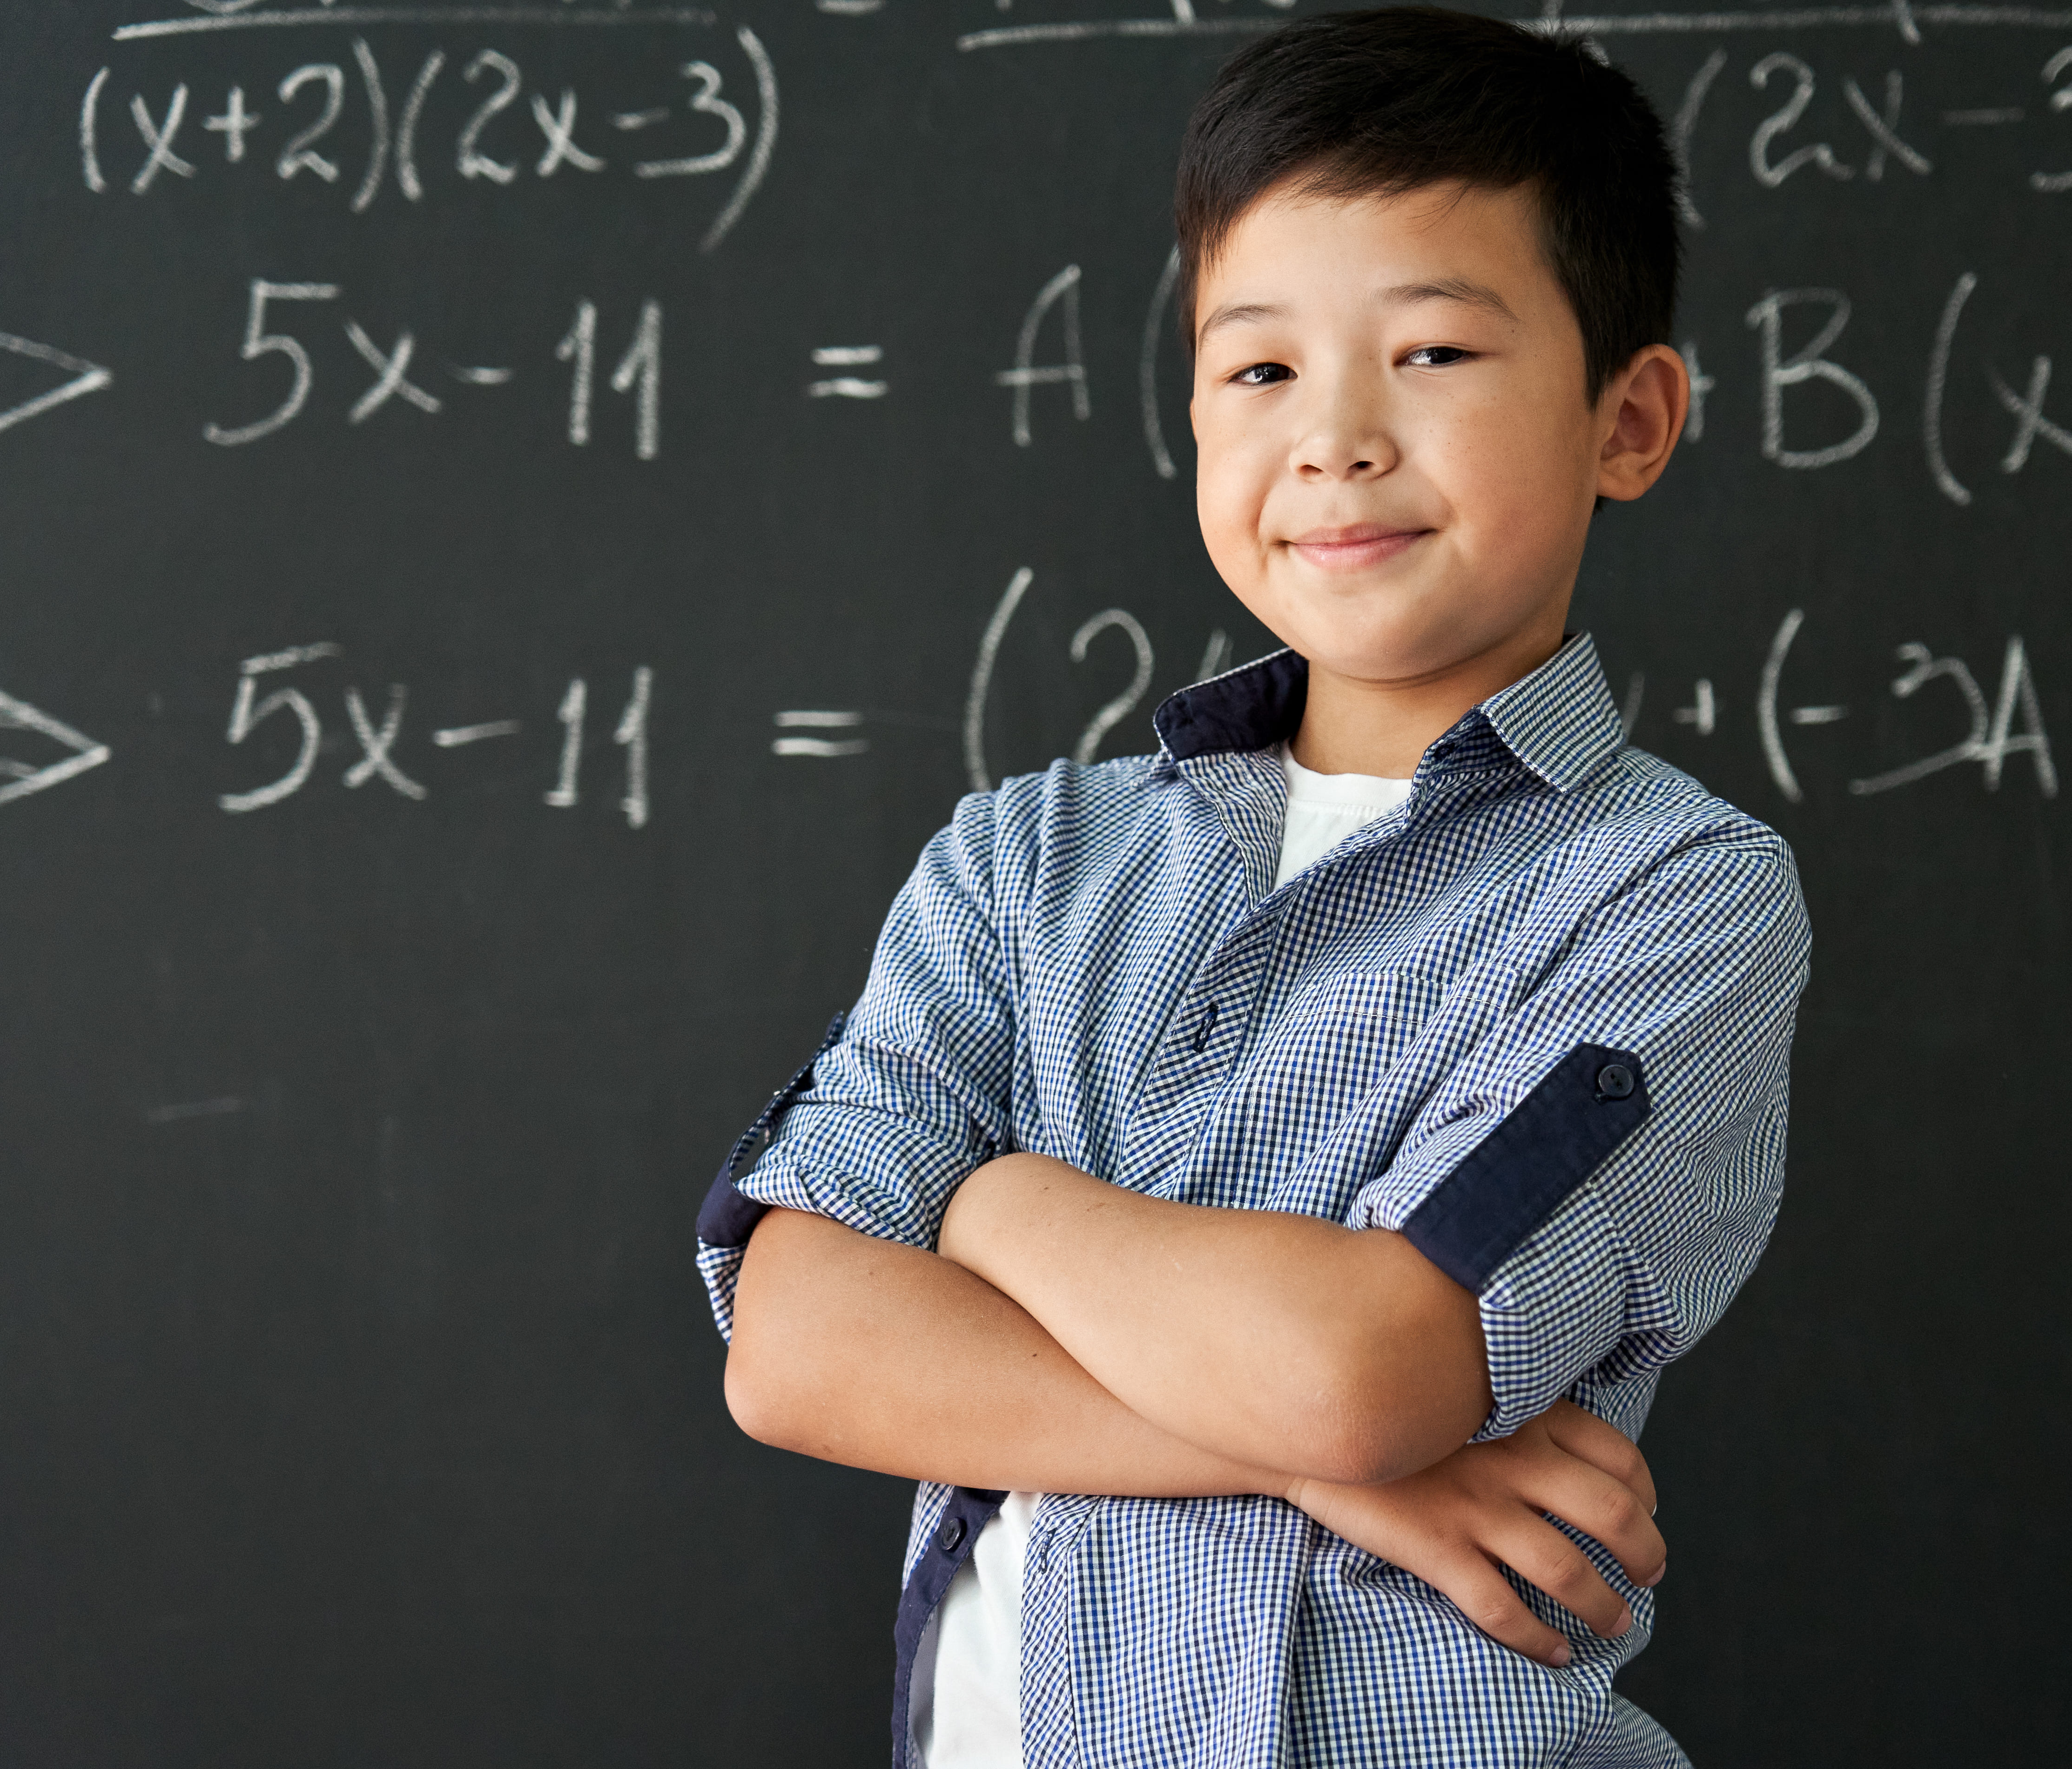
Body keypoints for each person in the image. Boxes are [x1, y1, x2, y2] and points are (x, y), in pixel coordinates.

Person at [695, 9, 1810, 1763]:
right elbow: (795, 1340)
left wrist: (989, 1203)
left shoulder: (1670, 895)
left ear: (1631, 417)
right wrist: (1349, 1483)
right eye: (1261, 368)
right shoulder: (1022, 861)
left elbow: (1363, 1372)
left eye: (1434, 351)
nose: (1338, 438)